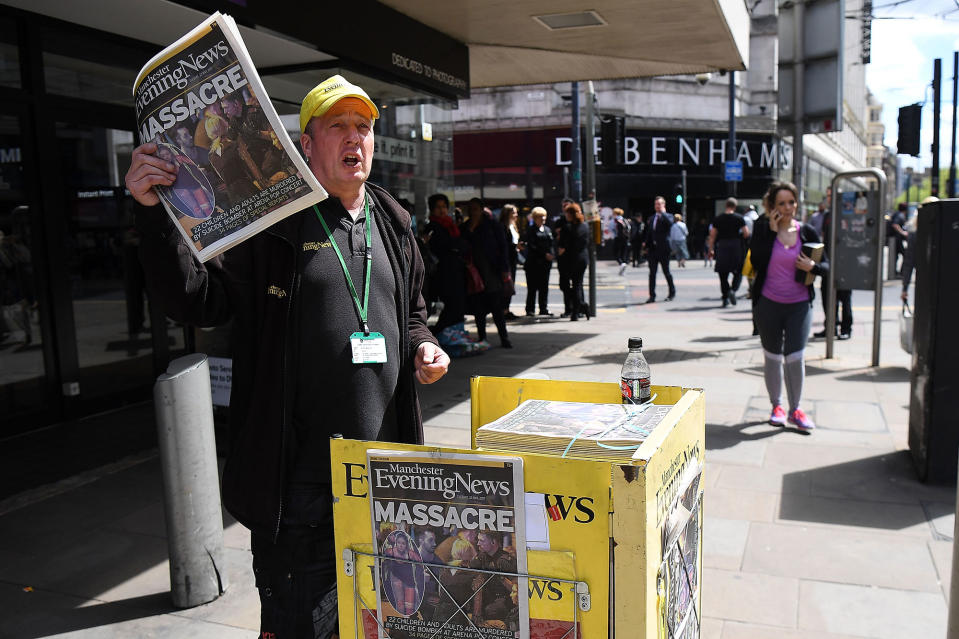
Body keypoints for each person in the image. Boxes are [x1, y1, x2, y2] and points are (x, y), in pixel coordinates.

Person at [124, 74, 449, 639]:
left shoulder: (392, 219)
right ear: (307, 144)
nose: (356, 139)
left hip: (385, 479)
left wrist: (425, 344)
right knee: (302, 626)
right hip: (300, 489)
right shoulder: (271, 223)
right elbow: (198, 301)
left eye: (364, 127)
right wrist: (153, 215)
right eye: (339, 127)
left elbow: (413, 311)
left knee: (382, 622)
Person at [749, 181, 828, 431]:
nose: (787, 208)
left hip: (799, 305)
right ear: (772, 206)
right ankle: (777, 406)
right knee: (772, 356)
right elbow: (757, 263)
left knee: (795, 356)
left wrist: (812, 267)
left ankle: (796, 410)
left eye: (791, 202)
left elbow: (827, 267)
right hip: (768, 305)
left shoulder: (807, 232)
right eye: (781, 203)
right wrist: (772, 231)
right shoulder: (762, 229)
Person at [462, 198, 512, 348]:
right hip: (473, 272)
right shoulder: (465, 227)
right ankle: (482, 337)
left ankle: (504, 337)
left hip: (491, 271)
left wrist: (504, 269)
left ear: (482, 209)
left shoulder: (492, 225)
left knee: (496, 306)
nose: (473, 212)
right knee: (479, 308)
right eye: (470, 209)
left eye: (476, 209)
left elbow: (503, 248)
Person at [425, 193, 468, 336]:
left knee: (458, 305)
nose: (442, 210)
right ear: (432, 209)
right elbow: (443, 245)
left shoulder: (450, 224)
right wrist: (455, 246)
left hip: (456, 270)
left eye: (444, 207)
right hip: (443, 272)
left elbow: (461, 245)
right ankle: (438, 333)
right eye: (438, 207)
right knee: (452, 305)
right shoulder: (432, 226)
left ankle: (451, 334)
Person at [813, 205, 852, 340]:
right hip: (828, 262)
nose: (830, 198)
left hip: (845, 263)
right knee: (827, 297)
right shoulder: (827, 215)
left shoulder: (847, 215)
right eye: (828, 195)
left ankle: (846, 328)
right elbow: (824, 236)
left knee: (845, 298)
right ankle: (831, 327)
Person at [708, 197, 750, 307]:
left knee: (723, 274)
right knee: (739, 272)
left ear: (726, 205)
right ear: (735, 207)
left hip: (722, 246)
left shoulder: (718, 219)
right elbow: (746, 233)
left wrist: (711, 249)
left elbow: (712, 236)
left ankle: (725, 297)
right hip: (736, 246)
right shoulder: (739, 218)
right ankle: (733, 290)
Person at [557, 202, 590, 320]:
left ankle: (580, 305)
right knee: (577, 285)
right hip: (582, 259)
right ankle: (577, 310)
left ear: (570, 214)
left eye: (567, 213)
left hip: (569, 260)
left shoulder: (567, 227)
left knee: (564, 285)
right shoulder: (585, 226)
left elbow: (561, 246)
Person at [643, 196, 676, 303]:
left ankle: (672, 292)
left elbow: (670, 224)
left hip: (664, 249)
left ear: (663, 205)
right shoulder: (652, 218)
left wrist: (663, 213)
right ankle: (652, 295)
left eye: (659, 204)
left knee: (666, 272)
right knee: (652, 273)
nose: (657, 206)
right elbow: (649, 233)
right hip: (653, 250)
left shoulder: (669, 216)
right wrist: (646, 246)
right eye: (656, 204)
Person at [523, 206, 555, 316]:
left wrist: (551, 254)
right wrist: (544, 254)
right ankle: (530, 309)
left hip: (545, 264)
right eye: (540, 217)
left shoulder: (547, 230)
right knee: (532, 287)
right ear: (535, 218)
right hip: (533, 263)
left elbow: (551, 244)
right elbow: (532, 246)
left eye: (544, 216)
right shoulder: (531, 230)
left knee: (544, 287)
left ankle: (543, 308)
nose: (543, 218)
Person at [499, 204, 521, 319]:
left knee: (510, 285)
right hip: (507, 259)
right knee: (506, 285)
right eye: (514, 212)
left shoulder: (513, 226)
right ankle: (503, 310)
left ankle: (506, 309)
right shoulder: (503, 226)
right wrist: (514, 246)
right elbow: (503, 245)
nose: (516, 215)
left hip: (513, 259)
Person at [553, 198, 573, 316]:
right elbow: (556, 236)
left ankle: (576, 307)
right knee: (564, 284)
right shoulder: (560, 221)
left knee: (576, 285)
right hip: (562, 257)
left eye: (567, 207)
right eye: (563, 206)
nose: (565, 209)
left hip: (573, 257)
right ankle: (569, 307)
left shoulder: (577, 222)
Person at [889, 202, 909, 275]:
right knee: (905, 254)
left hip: (895, 239)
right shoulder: (900, 215)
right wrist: (903, 232)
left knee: (896, 256)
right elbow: (895, 225)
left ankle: (895, 272)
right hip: (897, 239)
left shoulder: (896, 214)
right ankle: (901, 272)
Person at [612, 207, 631, 275]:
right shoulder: (624, 219)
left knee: (616, 254)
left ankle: (621, 264)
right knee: (623, 254)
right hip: (625, 239)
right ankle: (623, 266)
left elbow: (611, 228)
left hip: (618, 238)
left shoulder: (615, 220)